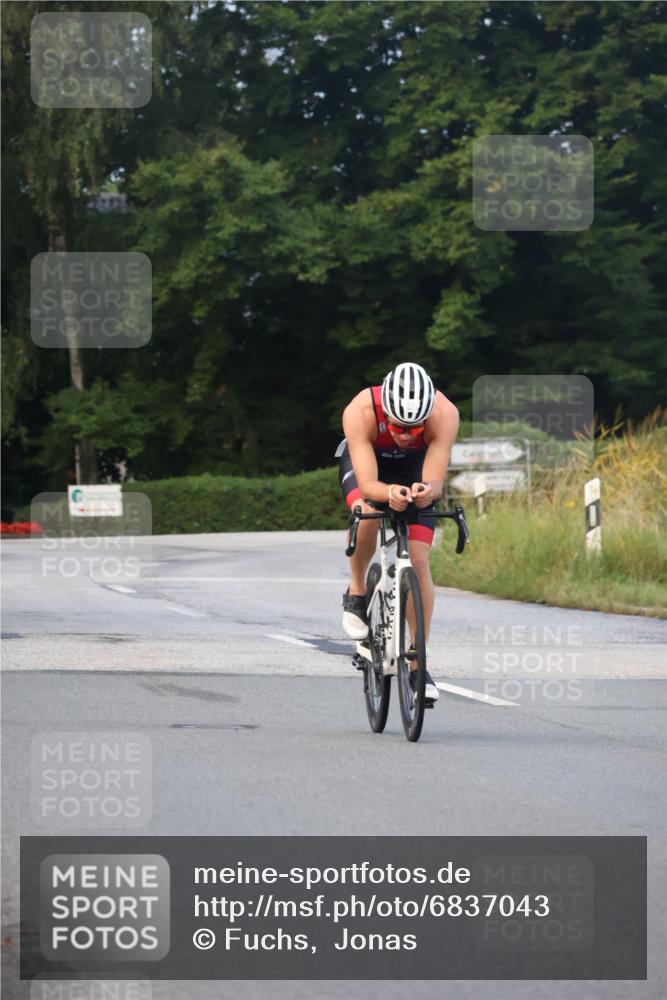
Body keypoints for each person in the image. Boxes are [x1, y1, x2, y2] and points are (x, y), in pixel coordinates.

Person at [338, 362, 459, 704]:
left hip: (414, 468)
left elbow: (435, 480)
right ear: (385, 412)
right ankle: (357, 589)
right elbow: (368, 484)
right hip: (369, 465)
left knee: (419, 560)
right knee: (369, 513)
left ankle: (419, 665)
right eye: (397, 426)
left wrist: (425, 492)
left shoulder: (445, 413)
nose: (405, 434)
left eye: (414, 427)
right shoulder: (360, 410)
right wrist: (389, 493)